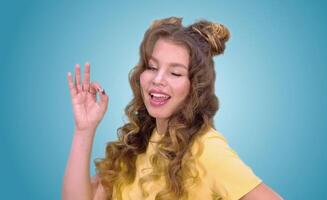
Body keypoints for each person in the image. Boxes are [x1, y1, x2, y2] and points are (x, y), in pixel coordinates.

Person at [62, 17, 283, 200]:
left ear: (195, 87)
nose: (157, 79)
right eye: (152, 67)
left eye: (175, 73)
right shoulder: (136, 144)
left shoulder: (207, 149)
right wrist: (84, 129)